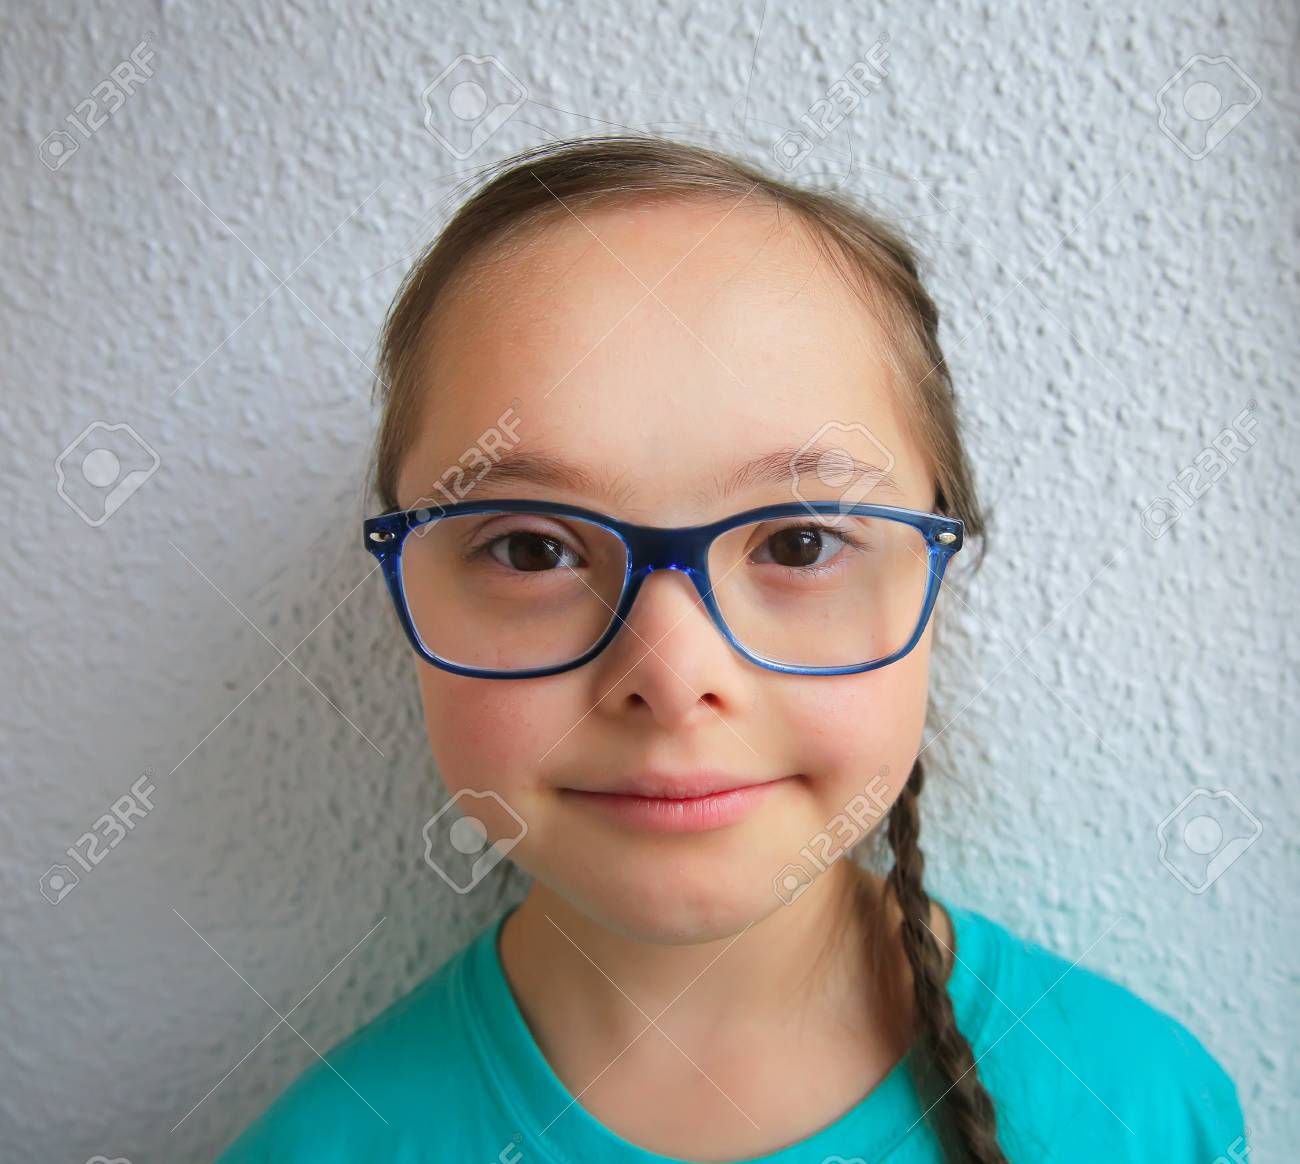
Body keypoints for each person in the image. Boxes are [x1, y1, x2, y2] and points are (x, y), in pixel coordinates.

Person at [216, 134, 1246, 1163]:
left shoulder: (1144, 1112)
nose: (671, 680)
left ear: (934, 576)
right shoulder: (318, 1149)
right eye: (532, 548)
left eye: (800, 543)